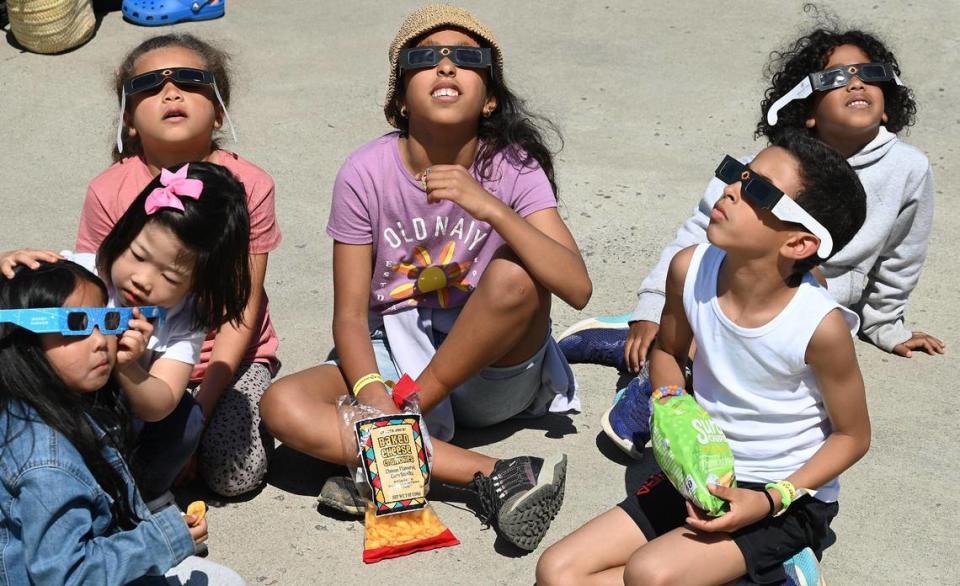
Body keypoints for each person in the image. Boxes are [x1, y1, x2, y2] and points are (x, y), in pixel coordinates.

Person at [259, 4, 590, 551]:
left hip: (489, 369)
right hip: (394, 349)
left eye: (466, 58)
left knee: (517, 276)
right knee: (282, 406)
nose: (444, 67)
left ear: (489, 99)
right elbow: (347, 314)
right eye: (424, 58)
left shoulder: (512, 165)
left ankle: (386, 458)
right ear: (397, 99)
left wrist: (492, 208)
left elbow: (576, 286)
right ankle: (493, 472)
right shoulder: (365, 172)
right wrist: (370, 390)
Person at [563, 25, 943, 458]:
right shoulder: (763, 168)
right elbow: (694, 234)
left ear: (888, 104)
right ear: (808, 111)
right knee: (711, 319)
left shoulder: (908, 169)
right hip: (733, 281)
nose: (855, 83)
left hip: (814, 300)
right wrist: (652, 306)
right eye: (833, 78)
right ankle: (649, 374)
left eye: (868, 73)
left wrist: (885, 323)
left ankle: (646, 346)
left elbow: (902, 253)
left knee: (748, 358)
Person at [537, 130, 871, 586]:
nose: (730, 190)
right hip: (700, 471)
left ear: (798, 243)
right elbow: (670, 353)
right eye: (738, 173)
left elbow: (852, 437)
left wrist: (772, 498)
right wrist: (673, 404)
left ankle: (783, 565)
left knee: (650, 573)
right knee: (557, 572)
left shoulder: (820, 327)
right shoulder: (690, 268)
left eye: (758, 190)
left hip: (786, 499)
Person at [75, 33, 282, 498]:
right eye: (149, 86)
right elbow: (90, 287)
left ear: (218, 109)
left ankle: (247, 411)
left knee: (234, 476)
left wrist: (200, 413)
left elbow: (240, 311)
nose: (171, 92)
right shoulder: (108, 191)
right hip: (135, 355)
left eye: (191, 81)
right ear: (129, 119)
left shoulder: (250, 187)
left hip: (225, 362)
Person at [2, 161, 251, 507]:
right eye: (138, 255)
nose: (143, 279)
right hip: (56, 415)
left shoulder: (183, 320)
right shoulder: (81, 275)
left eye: (170, 277)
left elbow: (161, 404)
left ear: (196, 286)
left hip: (126, 430)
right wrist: (7, 262)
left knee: (185, 419)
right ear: (125, 231)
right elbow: (15, 311)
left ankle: (136, 498)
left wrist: (130, 367)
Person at [0, 260, 244, 585]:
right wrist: (163, 537)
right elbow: (66, 575)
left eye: (107, 319)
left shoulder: (39, 403)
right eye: (77, 323)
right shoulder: (48, 463)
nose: (101, 340)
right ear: (24, 338)